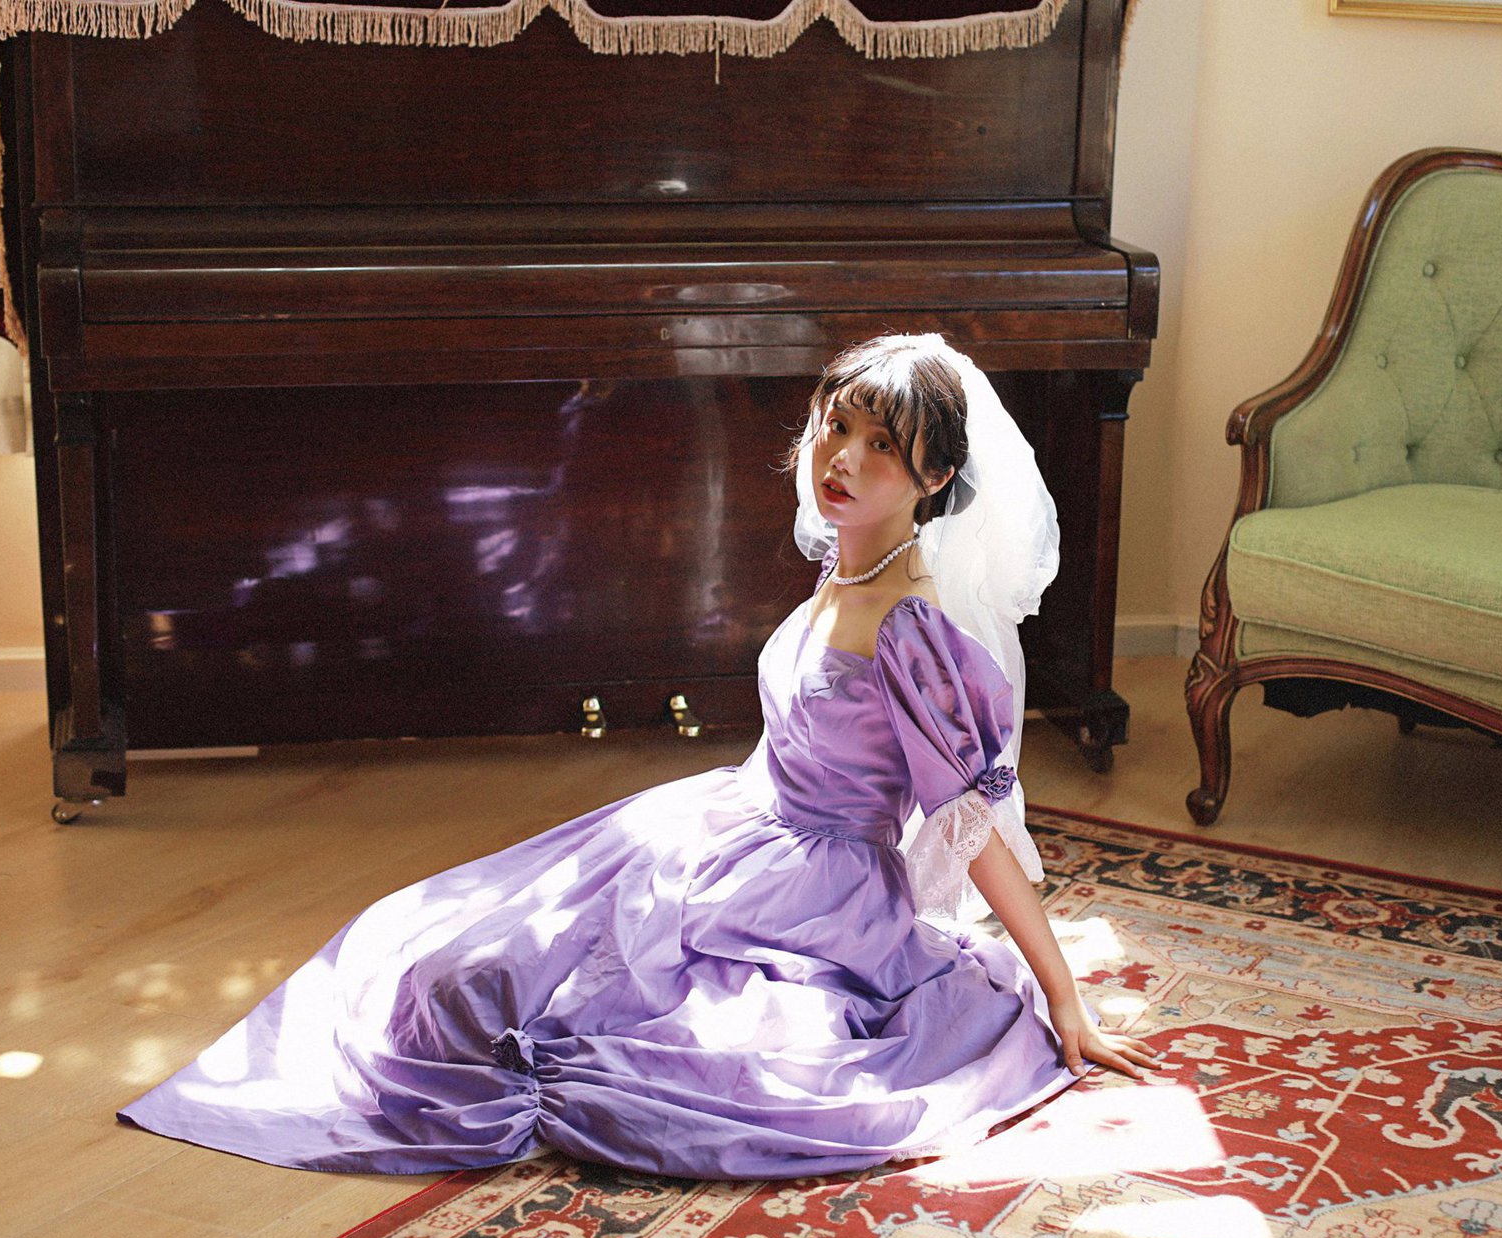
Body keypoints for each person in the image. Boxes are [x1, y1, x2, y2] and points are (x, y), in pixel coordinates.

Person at [117, 332, 1164, 1180]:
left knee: (608, 1040)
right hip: (728, 826)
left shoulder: (912, 630)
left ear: (933, 476)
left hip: (813, 897)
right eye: (835, 425)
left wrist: (1063, 997)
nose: (840, 458)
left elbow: (968, 828)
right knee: (444, 959)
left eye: (880, 446)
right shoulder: (849, 568)